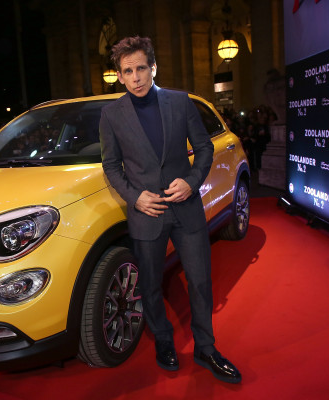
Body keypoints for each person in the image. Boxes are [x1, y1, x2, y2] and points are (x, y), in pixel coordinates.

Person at [99, 36, 241, 383]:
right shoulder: (111, 114)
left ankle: (206, 347)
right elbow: (111, 166)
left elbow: (205, 148)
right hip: (146, 214)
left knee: (200, 281)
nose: (136, 77)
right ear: (119, 75)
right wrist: (136, 198)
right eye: (128, 71)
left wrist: (192, 181)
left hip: (186, 208)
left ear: (153, 68)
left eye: (141, 68)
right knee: (149, 284)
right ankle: (163, 340)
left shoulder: (180, 103)